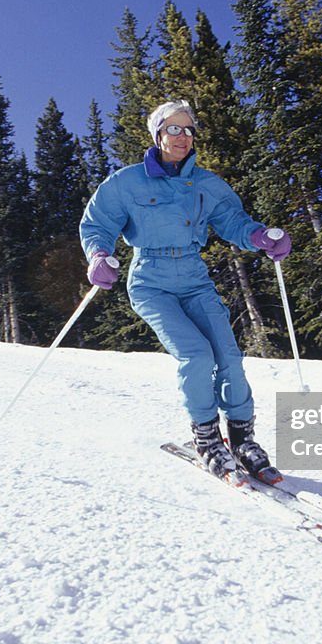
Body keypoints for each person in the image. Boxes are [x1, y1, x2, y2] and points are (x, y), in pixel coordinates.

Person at [79, 100, 291, 480]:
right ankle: (207, 438)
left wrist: (261, 236)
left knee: (227, 354)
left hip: (194, 277)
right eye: (173, 129)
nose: (182, 137)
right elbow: (98, 223)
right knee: (195, 355)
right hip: (151, 280)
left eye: (188, 130)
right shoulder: (127, 182)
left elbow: (233, 222)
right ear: (157, 134)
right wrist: (98, 255)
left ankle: (242, 438)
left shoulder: (208, 184)